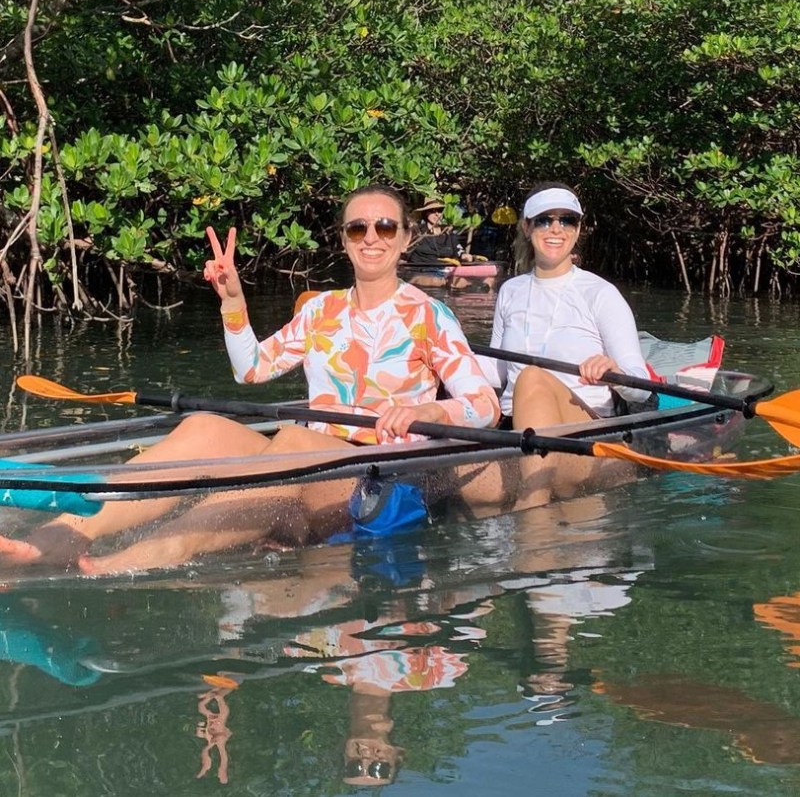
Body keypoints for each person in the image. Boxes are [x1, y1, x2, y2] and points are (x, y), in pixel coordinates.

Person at [0, 185, 500, 573]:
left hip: (379, 477)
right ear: (344, 239)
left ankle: (156, 552)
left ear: (406, 237)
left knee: (293, 440)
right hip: (312, 455)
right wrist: (234, 304)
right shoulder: (322, 309)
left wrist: (429, 411)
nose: (372, 238)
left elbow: (484, 405)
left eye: (386, 227)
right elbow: (252, 370)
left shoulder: (430, 315)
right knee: (203, 427)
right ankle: (65, 533)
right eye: (358, 228)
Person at [479, 182, 652, 508]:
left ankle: (531, 513)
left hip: (587, 438)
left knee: (532, 376)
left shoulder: (600, 294)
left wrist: (613, 371)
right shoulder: (510, 291)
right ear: (527, 227)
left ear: (578, 229)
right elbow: (496, 373)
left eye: (567, 220)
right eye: (545, 219)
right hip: (515, 432)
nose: (556, 229)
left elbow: (641, 387)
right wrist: (446, 355)